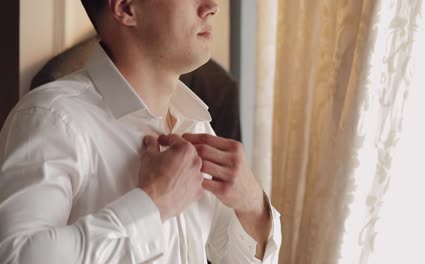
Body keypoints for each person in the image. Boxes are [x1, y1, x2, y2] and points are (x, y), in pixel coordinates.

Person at [0, 0, 281, 263]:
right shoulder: (52, 118)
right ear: (126, 8)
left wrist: (253, 207)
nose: (212, 6)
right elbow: (16, 256)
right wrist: (152, 204)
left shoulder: (194, 124)